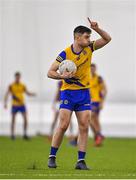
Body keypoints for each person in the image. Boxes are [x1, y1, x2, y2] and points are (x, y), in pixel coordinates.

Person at [47, 18, 111, 170]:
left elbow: (107, 39)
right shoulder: (65, 54)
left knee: (84, 126)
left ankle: (81, 161)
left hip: (84, 93)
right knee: (63, 125)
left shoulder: (90, 47)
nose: (89, 39)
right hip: (68, 93)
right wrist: (63, 76)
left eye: (90, 37)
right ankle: (52, 157)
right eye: (86, 36)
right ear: (77, 37)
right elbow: (50, 72)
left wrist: (97, 29)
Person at [4, 72, 36, 140]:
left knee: (25, 119)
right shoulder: (11, 85)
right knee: (13, 120)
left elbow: (27, 93)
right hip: (14, 105)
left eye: (19, 77)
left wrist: (32, 94)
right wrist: (5, 103)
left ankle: (25, 134)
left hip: (22, 104)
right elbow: (7, 94)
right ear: (15, 77)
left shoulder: (22, 85)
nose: (18, 78)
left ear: (20, 77)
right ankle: (12, 135)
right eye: (16, 77)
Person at [90, 63, 107, 146]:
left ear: (95, 69)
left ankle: (98, 135)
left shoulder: (99, 78)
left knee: (91, 118)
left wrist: (102, 102)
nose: (92, 70)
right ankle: (98, 136)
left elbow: (104, 90)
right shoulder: (87, 78)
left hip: (96, 102)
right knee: (95, 120)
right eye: (90, 68)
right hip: (88, 102)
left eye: (93, 68)